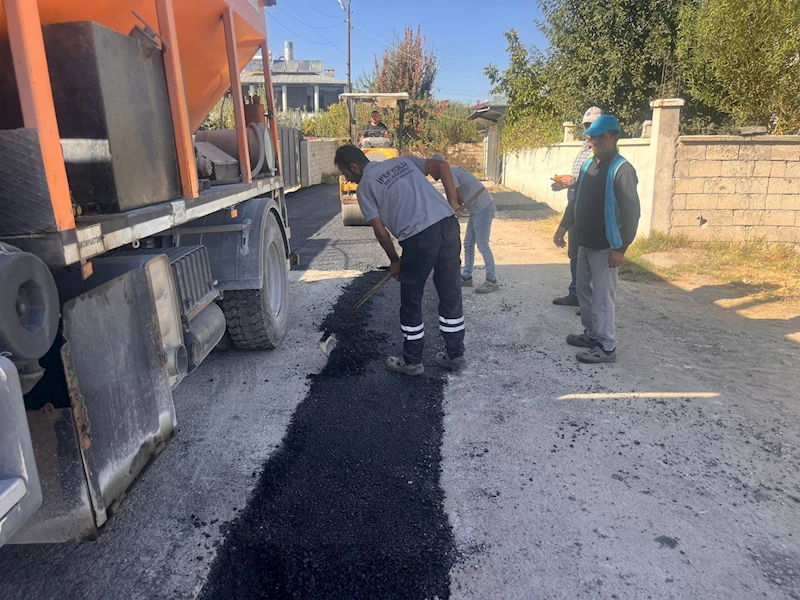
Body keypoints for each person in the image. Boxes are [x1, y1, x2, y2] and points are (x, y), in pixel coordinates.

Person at [334, 145, 467, 375]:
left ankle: (413, 361)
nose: (348, 179)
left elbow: (381, 231)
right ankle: (456, 355)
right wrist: (452, 202)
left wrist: (394, 261)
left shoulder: (365, 187)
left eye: (346, 174)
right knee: (450, 291)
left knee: (412, 298)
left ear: (354, 167)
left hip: (418, 237)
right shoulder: (402, 162)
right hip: (447, 226)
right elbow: (442, 165)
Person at [553, 115, 640, 364]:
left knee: (603, 297)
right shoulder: (589, 164)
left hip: (606, 245)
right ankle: (592, 335)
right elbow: (576, 201)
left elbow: (633, 212)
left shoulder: (622, 170)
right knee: (583, 291)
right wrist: (563, 227)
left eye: (601, 136)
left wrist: (620, 248)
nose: (595, 141)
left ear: (614, 137)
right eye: (592, 137)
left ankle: (607, 346)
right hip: (584, 241)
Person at [551, 106, 603, 307]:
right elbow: (580, 180)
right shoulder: (584, 149)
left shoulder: (602, 152)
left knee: (589, 259)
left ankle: (589, 301)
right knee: (575, 255)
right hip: (575, 208)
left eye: (593, 125)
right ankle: (577, 294)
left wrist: (571, 181)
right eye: (587, 125)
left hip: (591, 213)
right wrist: (564, 183)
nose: (590, 129)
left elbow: (593, 180)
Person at [430, 154, 497, 293]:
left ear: (438, 166)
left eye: (432, 170)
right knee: (468, 244)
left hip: (484, 207)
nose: (431, 174)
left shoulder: (450, 173)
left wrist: (450, 211)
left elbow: (458, 197)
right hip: (477, 209)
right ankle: (467, 277)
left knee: (482, 244)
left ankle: (492, 280)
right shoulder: (452, 172)